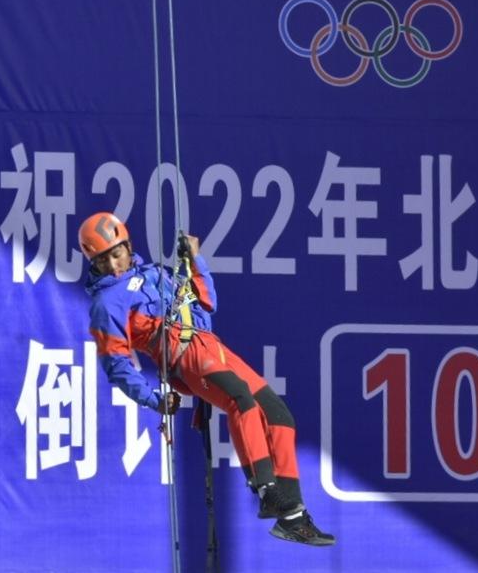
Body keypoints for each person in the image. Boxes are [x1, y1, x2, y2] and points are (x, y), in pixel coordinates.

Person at [78, 211, 335, 546]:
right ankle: (265, 490)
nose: (113, 266)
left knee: (278, 415)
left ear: (128, 246)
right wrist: (153, 398)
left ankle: (292, 517)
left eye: (116, 254)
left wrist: (195, 260)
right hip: (184, 356)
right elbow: (116, 363)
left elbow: (206, 304)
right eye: (102, 261)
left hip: (210, 345)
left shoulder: (156, 273)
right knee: (240, 399)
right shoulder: (107, 302)